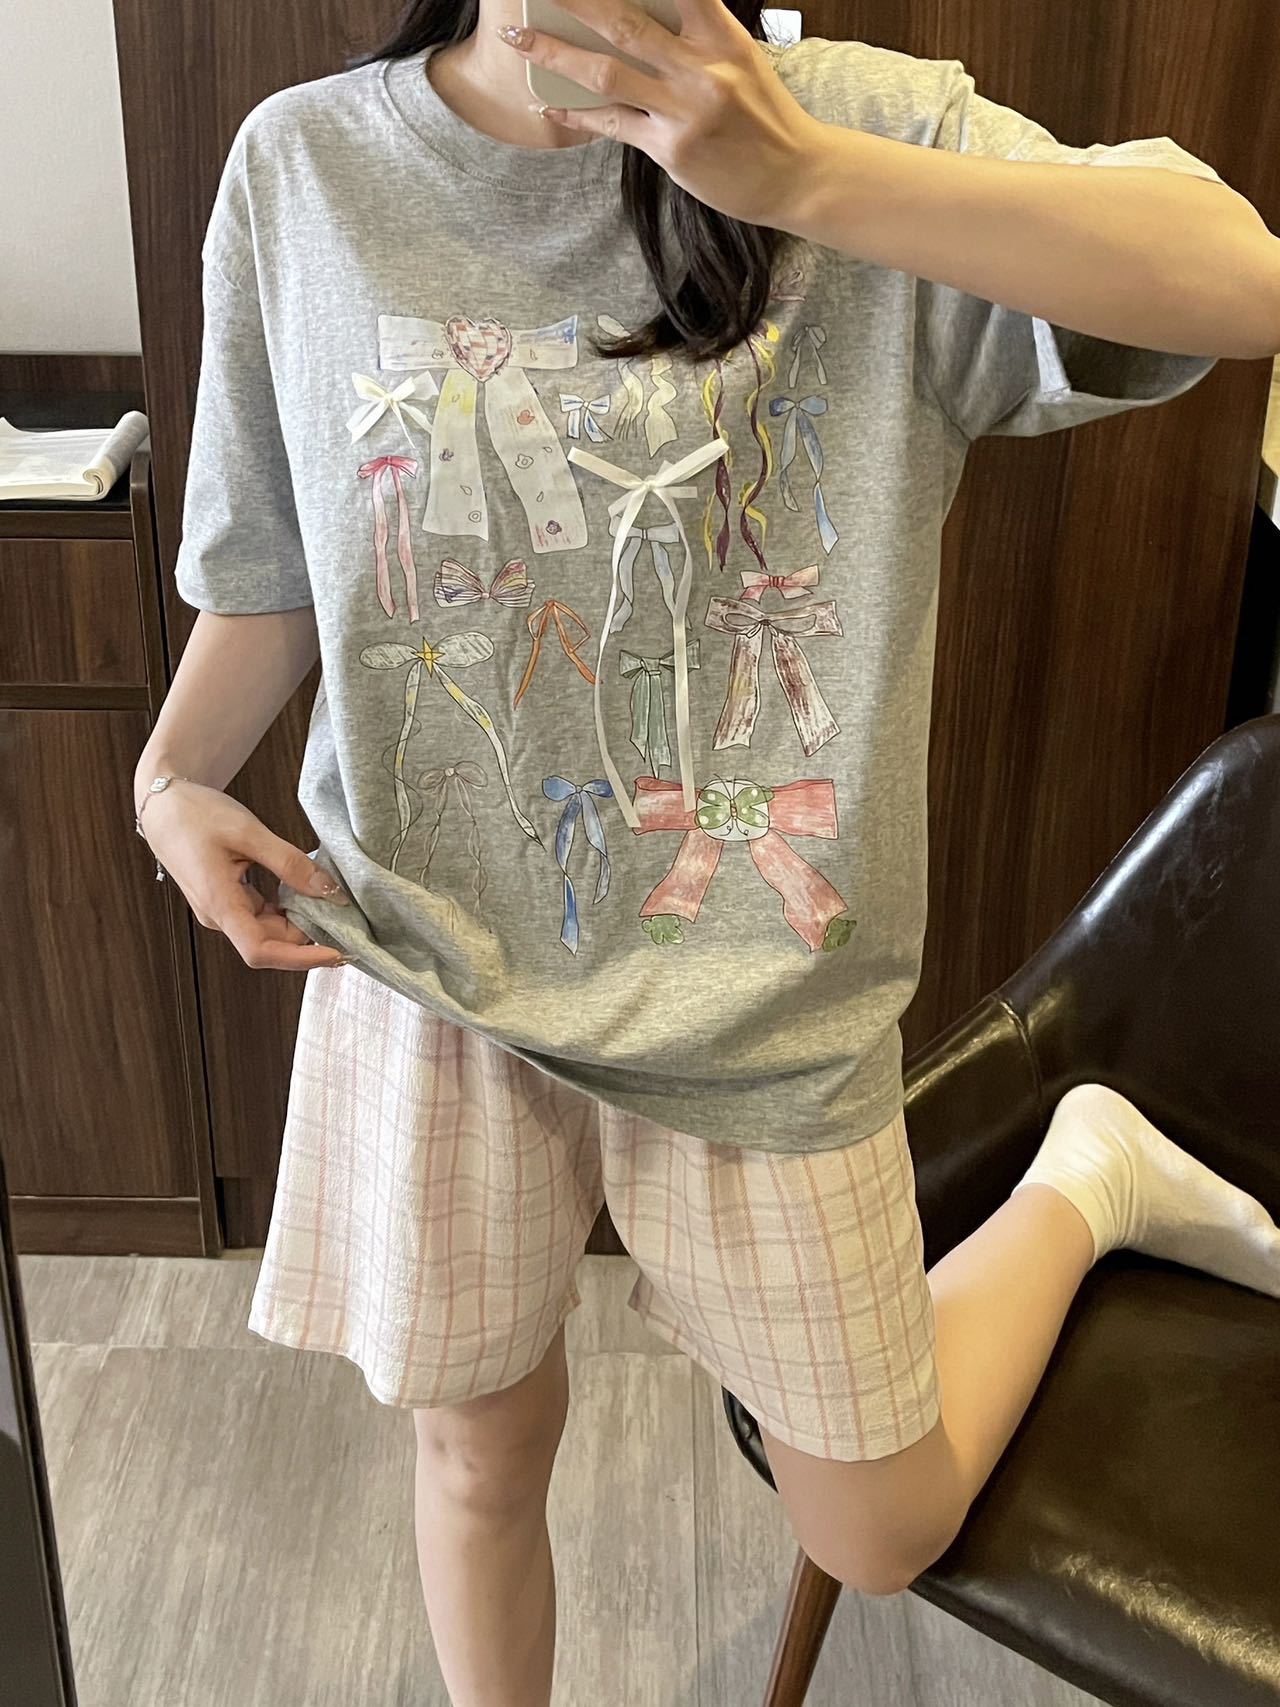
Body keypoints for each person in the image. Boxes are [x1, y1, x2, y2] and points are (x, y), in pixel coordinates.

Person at [133, 0, 1280, 1700]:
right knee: (475, 1449)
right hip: (431, 963)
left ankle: (1086, 1178)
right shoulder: (304, 164)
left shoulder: (856, 124)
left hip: (760, 993)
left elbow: (1240, 278)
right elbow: (281, 554)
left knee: (879, 1530)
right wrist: (170, 778)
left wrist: (799, 174)